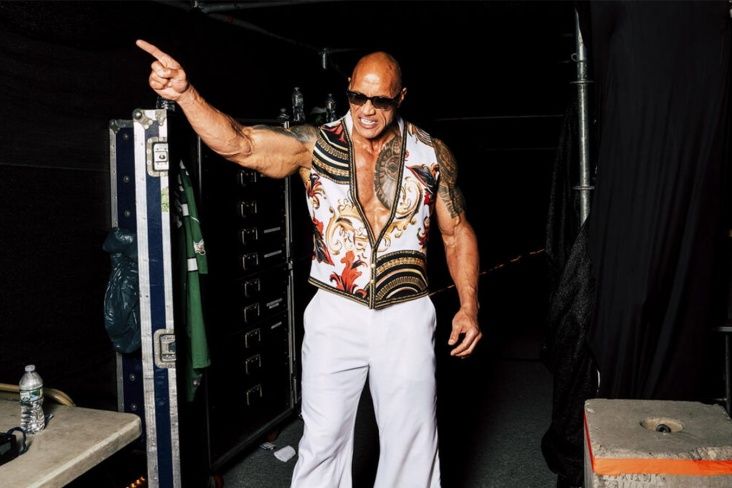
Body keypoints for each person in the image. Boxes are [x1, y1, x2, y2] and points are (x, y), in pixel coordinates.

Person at [137, 39, 482, 487]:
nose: (367, 110)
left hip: (406, 311)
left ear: (401, 97)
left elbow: (457, 233)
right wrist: (185, 94)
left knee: (412, 443)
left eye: (380, 101)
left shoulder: (431, 154)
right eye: (357, 96)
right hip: (336, 311)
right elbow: (241, 145)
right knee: (322, 440)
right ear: (349, 88)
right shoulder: (315, 144)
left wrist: (468, 305)